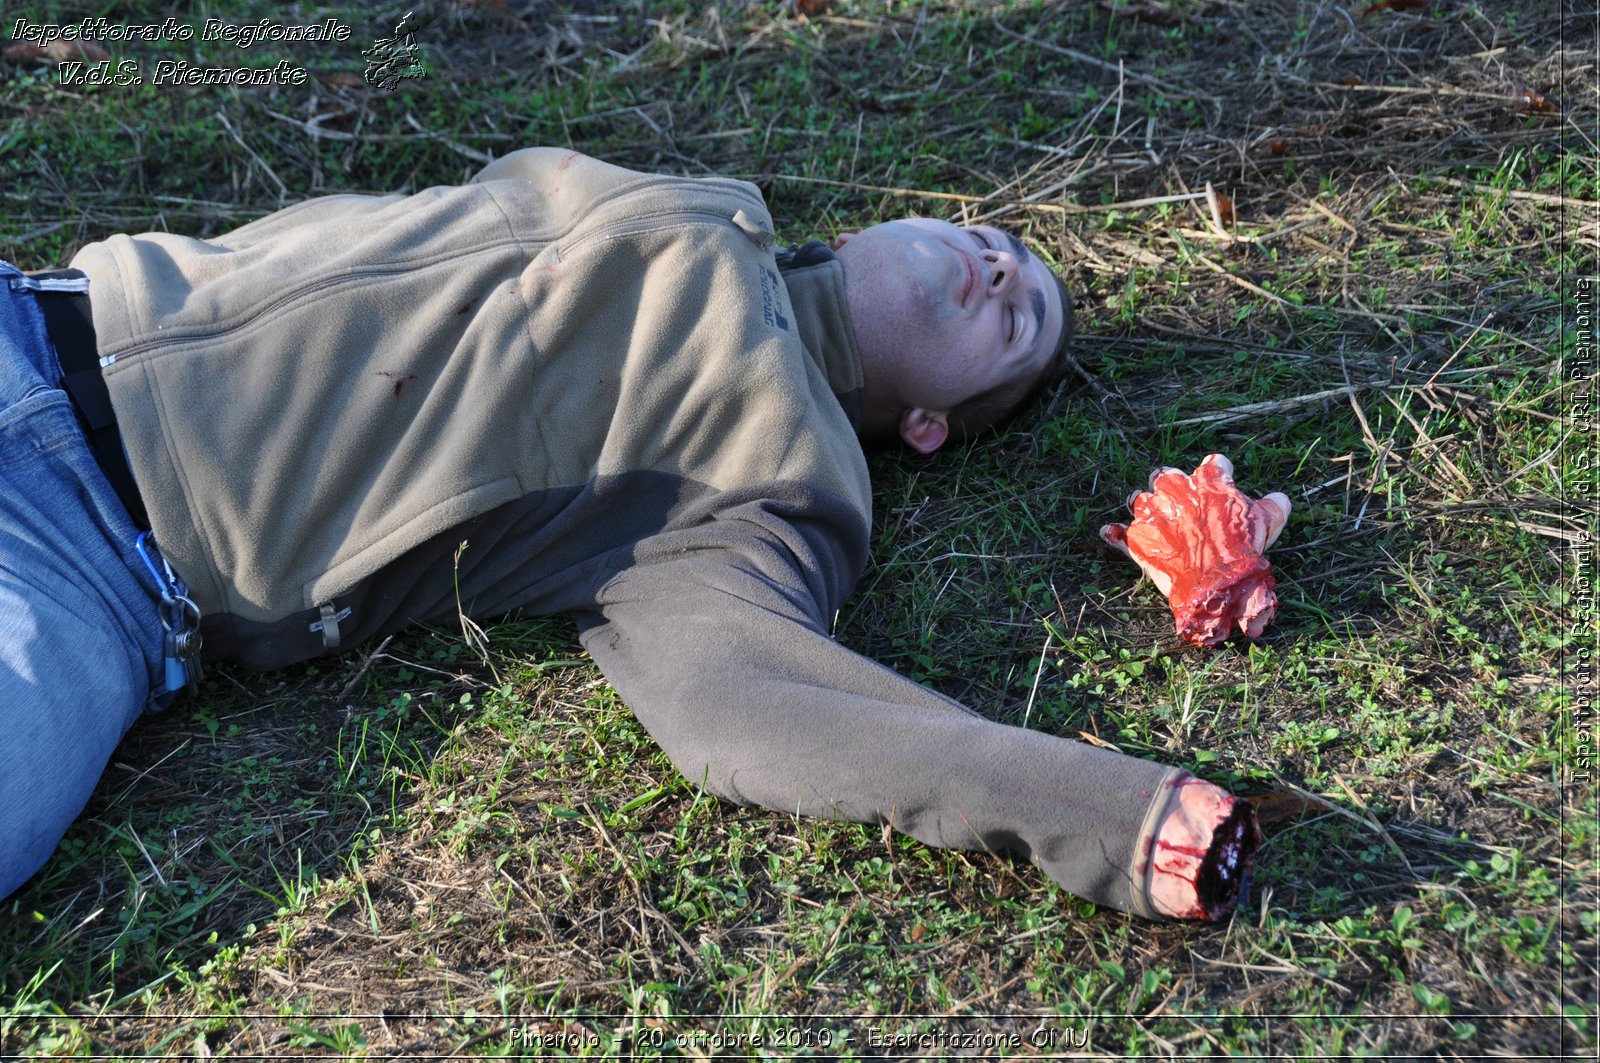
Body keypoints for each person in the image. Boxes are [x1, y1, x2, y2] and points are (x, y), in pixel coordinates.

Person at [0, 148, 1259, 915]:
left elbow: (747, 707)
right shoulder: (709, 206)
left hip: (91, 573)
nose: (996, 265)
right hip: (41, 315)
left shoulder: (782, 483)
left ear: (929, 425)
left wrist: (1104, 809)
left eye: (1015, 318)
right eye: (995, 244)